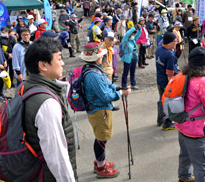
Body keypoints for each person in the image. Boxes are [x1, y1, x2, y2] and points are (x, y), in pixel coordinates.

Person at [23, 37, 77, 181]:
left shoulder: (27, 86)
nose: (63, 63)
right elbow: (57, 156)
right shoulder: (46, 103)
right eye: (59, 59)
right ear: (43, 66)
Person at [81, 42, 130, 179]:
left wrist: (117, 88)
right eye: (101, 55)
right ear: (96, 58)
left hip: (99, 109)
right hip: (99, 110)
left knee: (100, 138)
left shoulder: (93, 68)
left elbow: (107, 85)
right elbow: (105, 96)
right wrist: (121, 94)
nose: (102, 57)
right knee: (102, 138)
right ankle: (101, 167)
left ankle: (99, 162)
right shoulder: (94, 74)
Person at [176, 47, 205, 182]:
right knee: (202, 165)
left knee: (185, 154)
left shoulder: (184, 75)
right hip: (196, 129)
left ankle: (184, 176)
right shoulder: (201, 81)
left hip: (182, 124)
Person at [156, 32, 178, 130]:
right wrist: (171, 84)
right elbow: (170, 72)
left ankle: (160, 119)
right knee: (168, 102)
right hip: (166, 81)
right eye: (175, 41)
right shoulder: (169, 54)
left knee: (161, 100)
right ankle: (167, 122)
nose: (176, 43)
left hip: (159, 79)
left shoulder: (159, 49)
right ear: (169, 42)